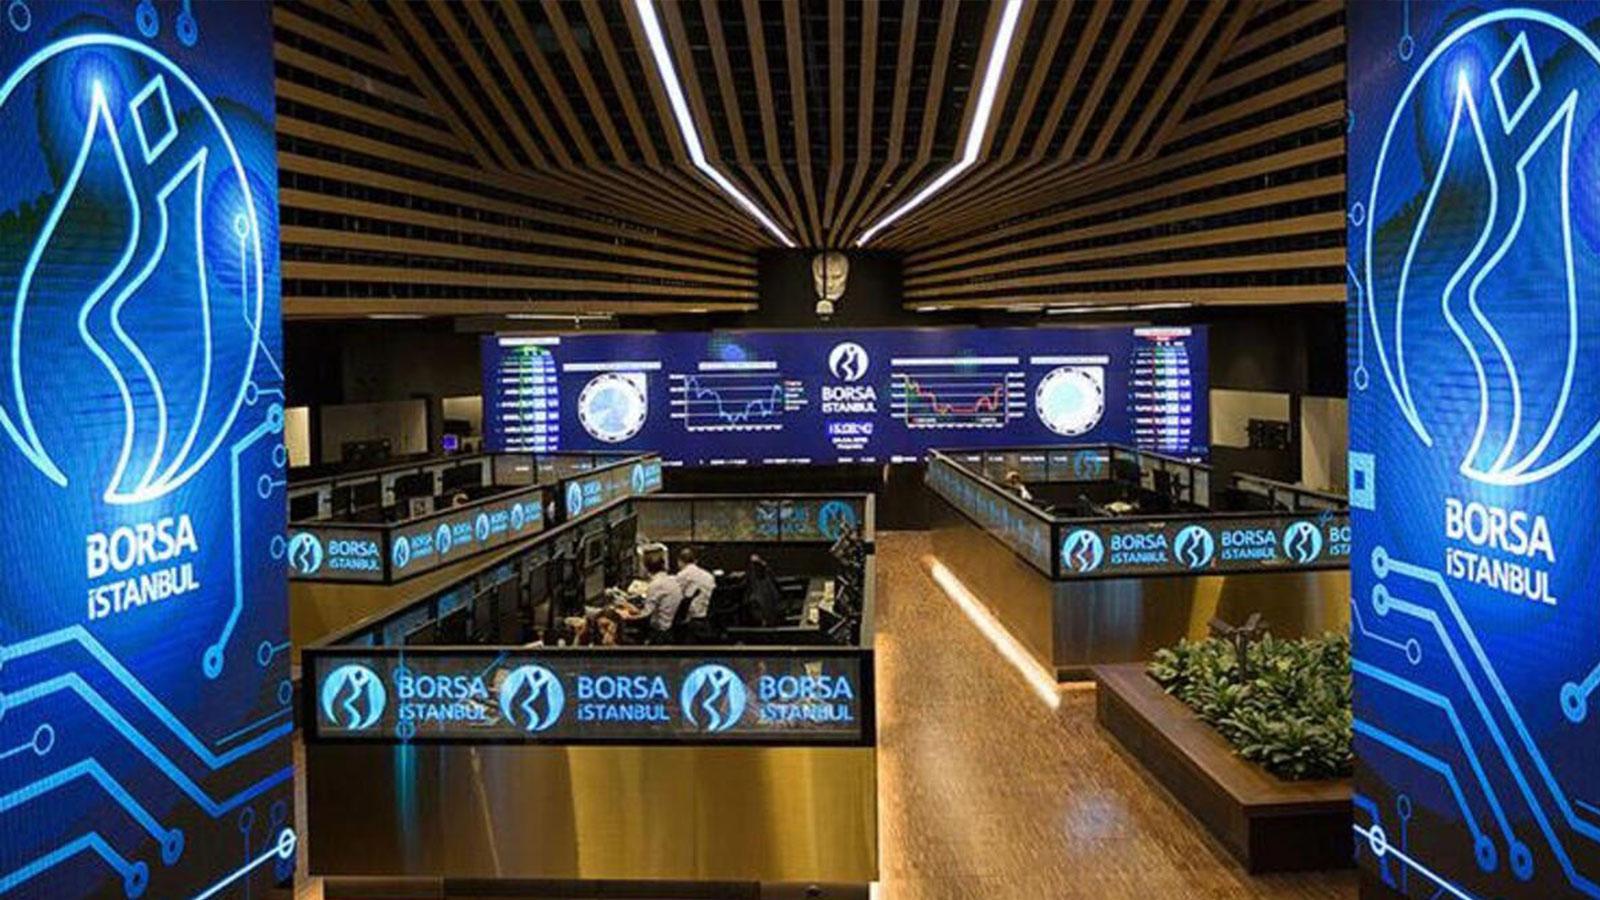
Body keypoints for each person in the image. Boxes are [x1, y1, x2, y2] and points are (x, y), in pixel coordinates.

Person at [620, 550, 684, 642]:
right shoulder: (672, 579)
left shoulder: (656, 585)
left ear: (646, 568)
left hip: (660, 632)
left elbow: (647, 614)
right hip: (671, 627)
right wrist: (634, 609)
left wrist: (628, 616)